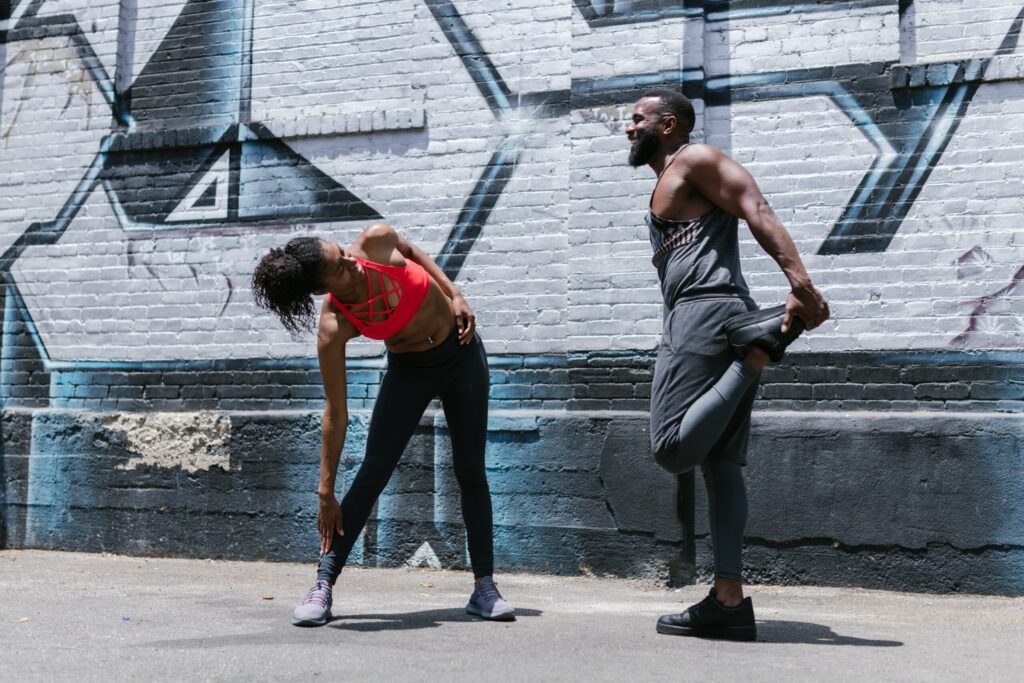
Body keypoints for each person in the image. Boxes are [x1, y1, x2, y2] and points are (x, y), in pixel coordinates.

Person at [625, 89, 830, 641]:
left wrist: (800, 283)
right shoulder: (674, 175)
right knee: (721, 466)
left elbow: (754, 206)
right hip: (722, 313)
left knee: (671, 447)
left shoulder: (693, 159)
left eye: (638, 119)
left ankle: (758, 354)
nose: (628, 128)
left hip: (702, 314)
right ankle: (729, 600)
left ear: (669, 124)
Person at [251, 224, 515, 626]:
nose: (351, 264)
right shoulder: (335, 325)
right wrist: (325, 490)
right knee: (373, 471)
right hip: (409, 370)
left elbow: (410, 249)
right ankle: (322, 585)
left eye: (342, 252)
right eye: (339, 269)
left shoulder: (374, 241)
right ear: (323, 290)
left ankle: (484, 587)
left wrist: (454, 294)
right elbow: (335, 413)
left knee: (470, 471)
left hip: (461, 355)